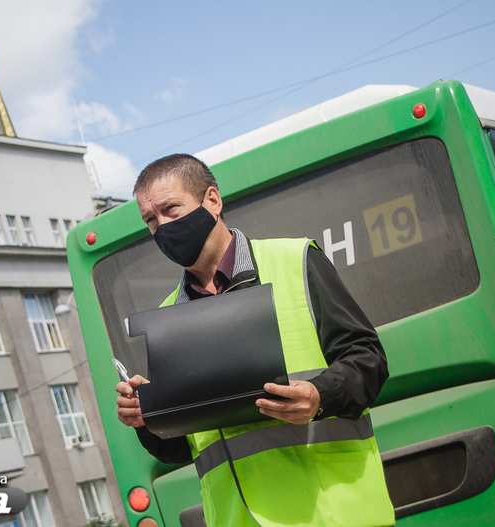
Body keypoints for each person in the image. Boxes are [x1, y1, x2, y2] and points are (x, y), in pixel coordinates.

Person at [116, 154, 394, 527]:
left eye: (171, 209)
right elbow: (184, 448)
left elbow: (368, 359)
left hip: (334, 515)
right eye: (151, 220)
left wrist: (319, 396)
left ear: (212, 200)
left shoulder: (295, 260)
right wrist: (147, 419)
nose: (162, 227)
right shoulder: (167, 317)